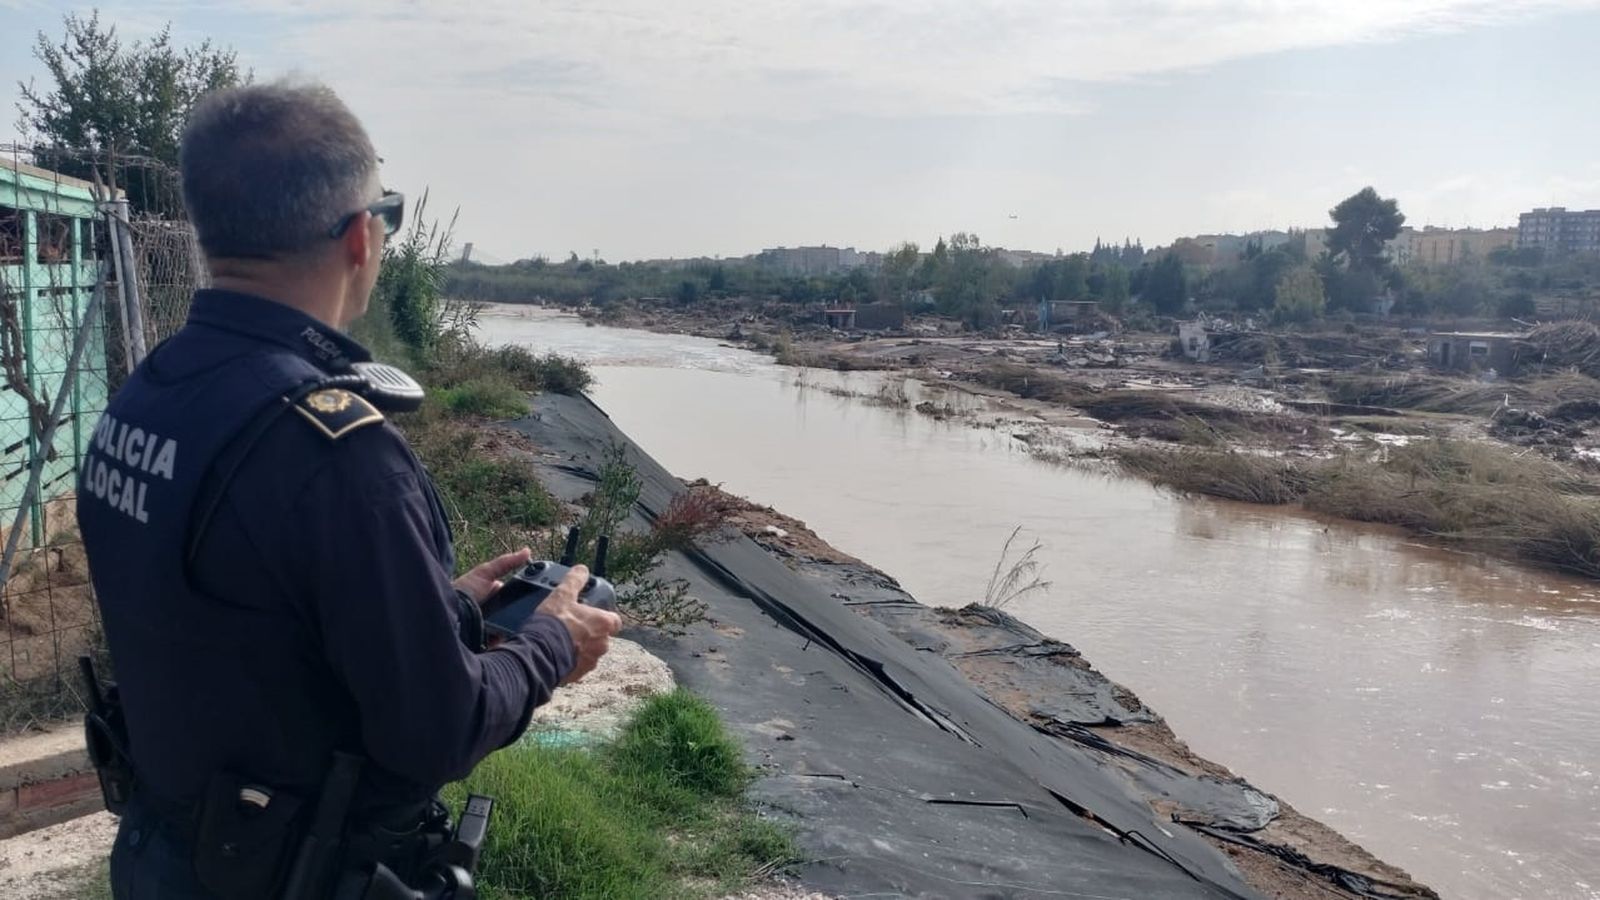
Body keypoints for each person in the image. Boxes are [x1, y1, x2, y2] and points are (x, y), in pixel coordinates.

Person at [75, 81, 621, 899]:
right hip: (288, 874)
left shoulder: (148, 391)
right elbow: (437, 732)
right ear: (362, 238)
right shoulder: (338, 453)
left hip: (164, 851)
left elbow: (241, 628)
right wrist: (550, 646)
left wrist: (449, 611)